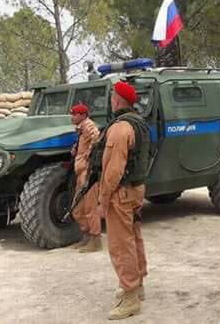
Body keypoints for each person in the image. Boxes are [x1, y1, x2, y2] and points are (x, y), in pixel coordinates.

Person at [93, 81, 150, 320]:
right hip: (136, 190)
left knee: (120, 244)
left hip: (120, 194)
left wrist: (103, 200)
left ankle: (130, 297)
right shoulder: (139, 123)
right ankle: (137, 286)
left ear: (117, 100)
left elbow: (113, 170)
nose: (111, 100)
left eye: (113, 96)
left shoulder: (119, 128)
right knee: (134, 237)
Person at [69, 103, 102, 252]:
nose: (72, 117)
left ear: (82, 115)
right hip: (81, 172)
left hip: (88, 172)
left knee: (90, 207)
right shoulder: (81, 129)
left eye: (75, 114)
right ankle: (87, 236)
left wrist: (88, 155)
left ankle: (95, 240)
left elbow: (97, 138)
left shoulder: (88, 125)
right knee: (78, 207)